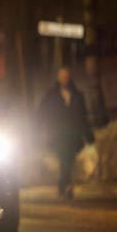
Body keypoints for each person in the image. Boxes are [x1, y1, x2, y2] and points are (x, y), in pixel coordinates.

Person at [37, 66, 94, 200]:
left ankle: (63, 186)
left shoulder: (77, 95)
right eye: (62, 77)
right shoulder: (51, 96)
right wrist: (43, 131)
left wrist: (89, 137)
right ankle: (67, 186)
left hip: (73, 135)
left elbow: (82, 117)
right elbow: (42, 114)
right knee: (64, 159)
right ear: (58, 78)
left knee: (69, 160)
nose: (65, 79)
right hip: (58, 136)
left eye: (67, 77)